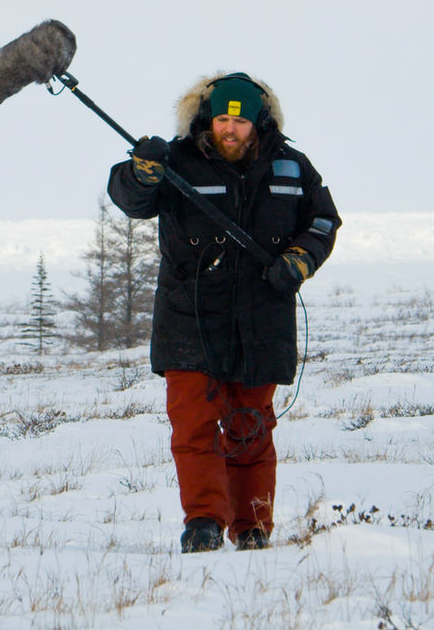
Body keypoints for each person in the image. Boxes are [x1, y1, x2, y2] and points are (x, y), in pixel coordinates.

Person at [107, 72, 340, 553]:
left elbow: (322, 221)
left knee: (250, 426)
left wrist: (300, 260)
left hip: (262, 317)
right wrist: (139, 173)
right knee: (193, 427)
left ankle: (253, 527)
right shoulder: (173, 162)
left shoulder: (292, 168)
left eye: (239, 121)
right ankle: (204, 523)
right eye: (221, 119)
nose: (228, 130)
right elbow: (132, 199)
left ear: (259, 121)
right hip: (188, 319)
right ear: (206, 117)